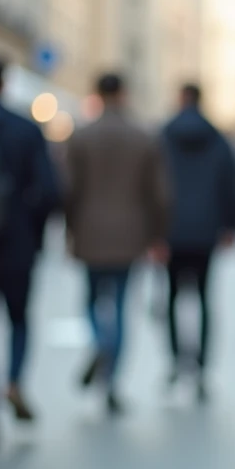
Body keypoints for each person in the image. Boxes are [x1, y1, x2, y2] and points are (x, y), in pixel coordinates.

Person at [64, 73, 169, 414]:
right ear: (123, 93)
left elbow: (68, 190)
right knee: (122, 307)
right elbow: (159, 193)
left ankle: (100, 341)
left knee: (93, 300)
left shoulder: (81, 136)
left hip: (90, 231)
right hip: (130, 235)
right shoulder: (143, 136)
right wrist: (157, 235)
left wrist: (69, 229)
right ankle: (111, 379)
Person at [0, 56, 60, 447]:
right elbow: (48, 191)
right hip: (15, 244)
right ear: (4, 83)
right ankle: (13, 380)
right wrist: (32, 233)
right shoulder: (26, 130)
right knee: (18, 321)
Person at [159, 83, 235, 401]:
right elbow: (231, 184)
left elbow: (154, 185)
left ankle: (177, 360)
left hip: (171, 231)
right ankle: (202, 367)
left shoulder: (164, 136)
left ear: (181, 99)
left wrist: (155, 232)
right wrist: (230, 226)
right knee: (204, 299)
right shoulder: (218, 139)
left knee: (172, 299)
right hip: (207, 231)